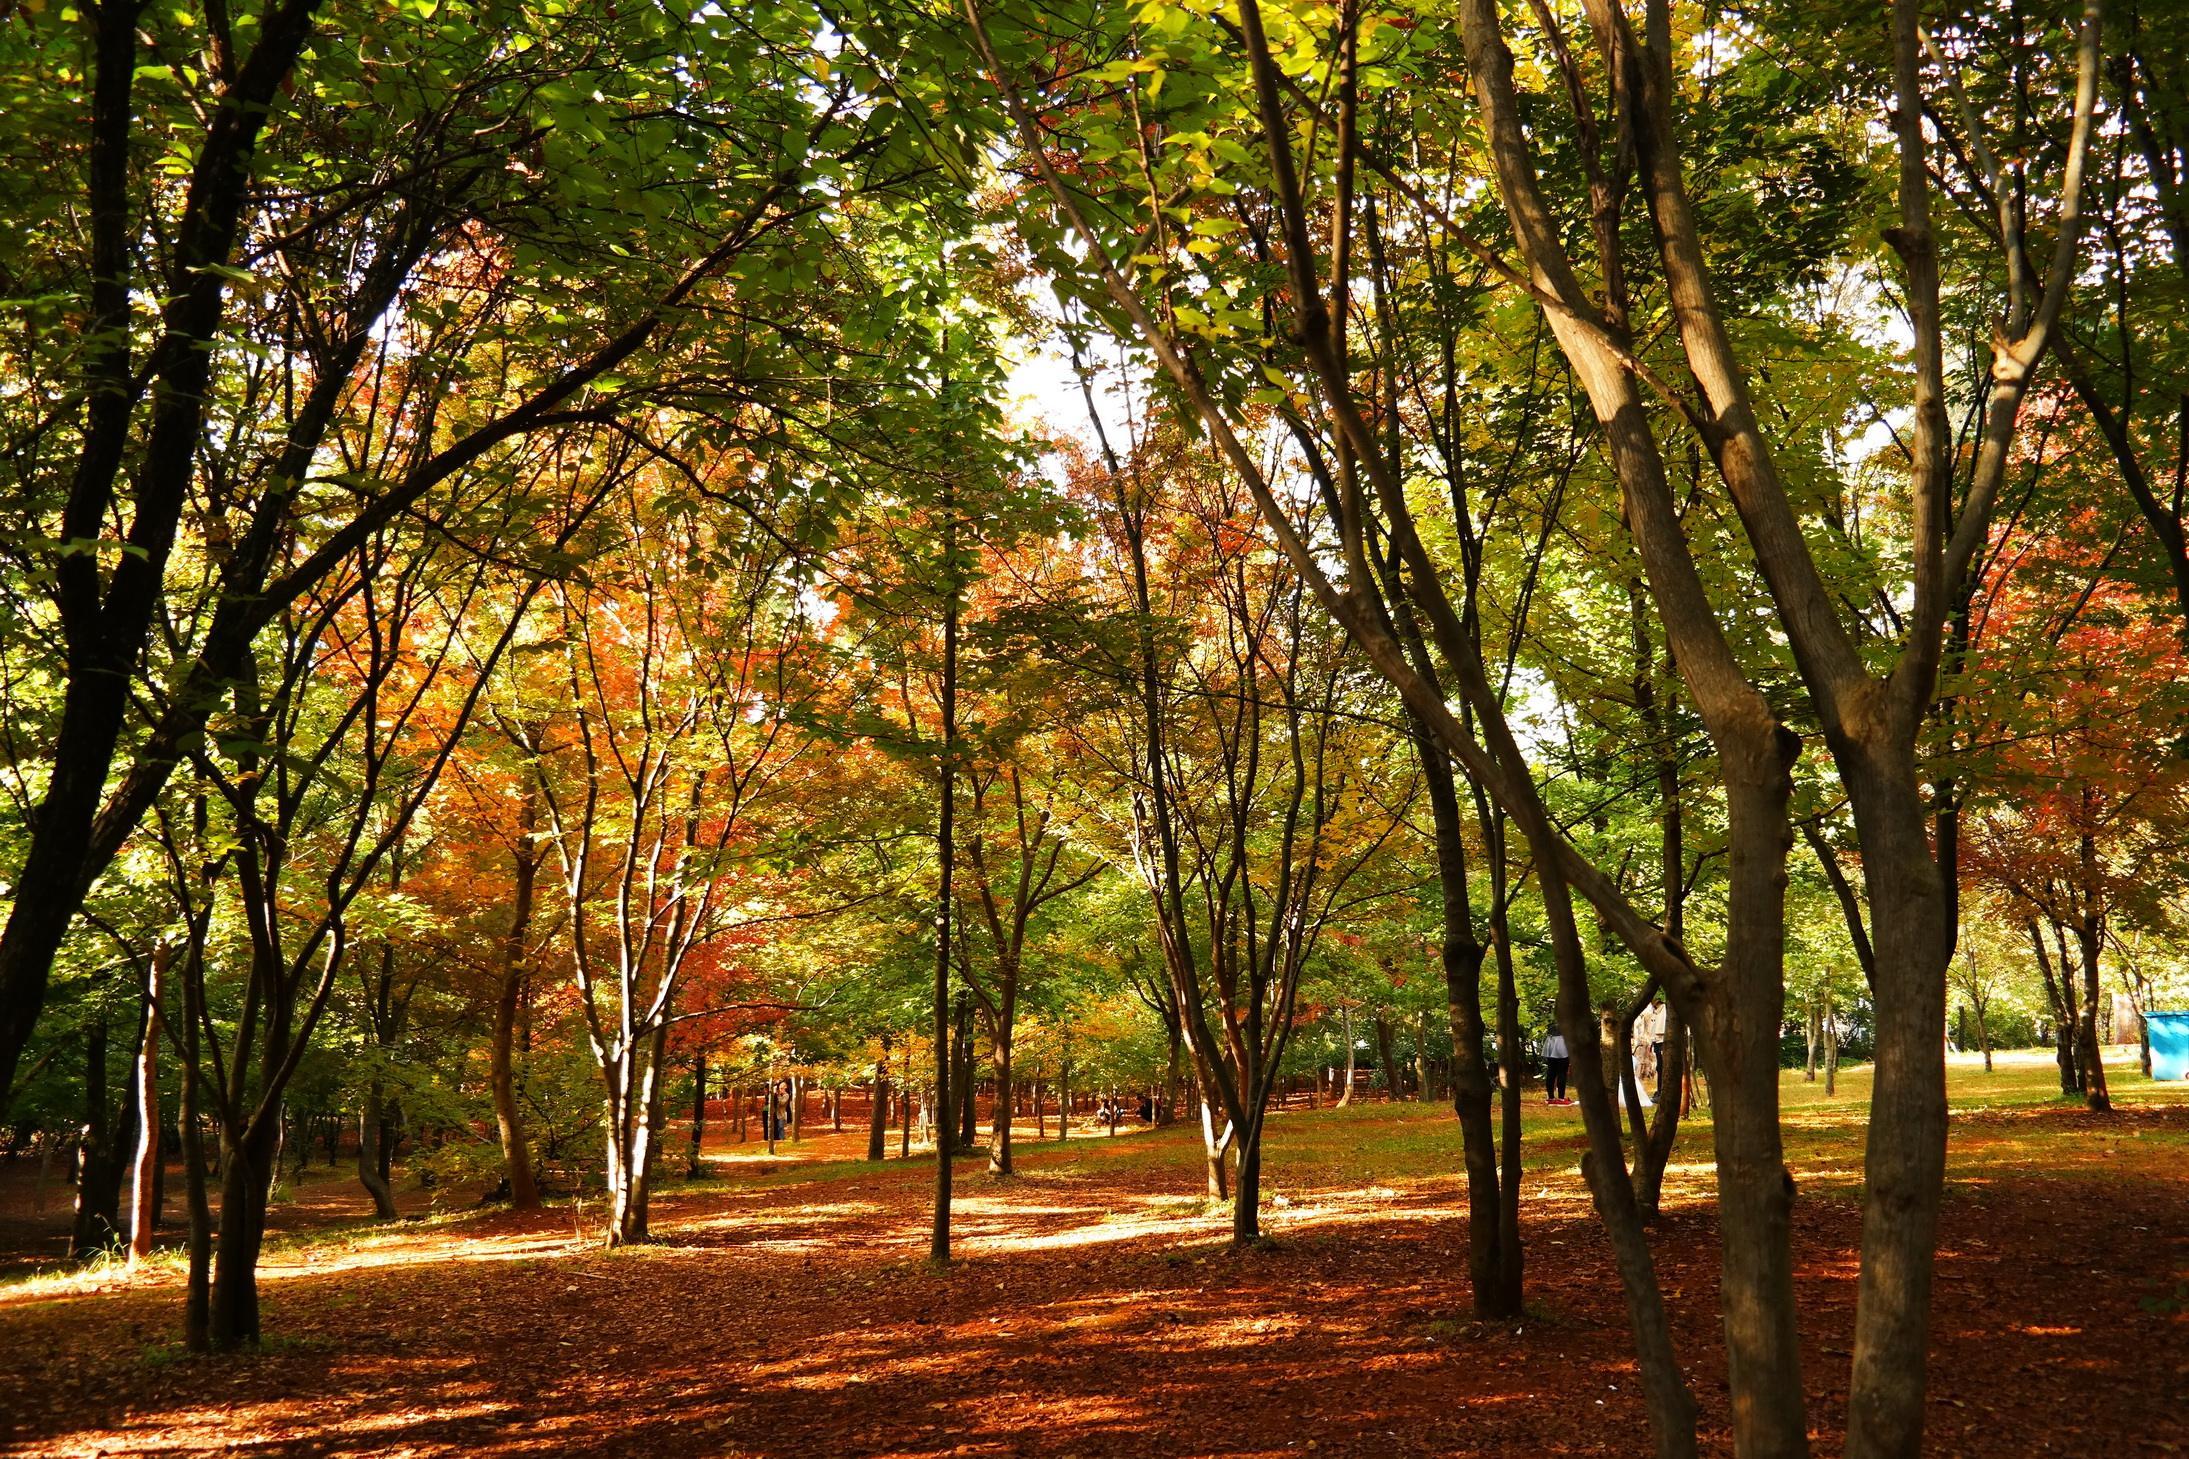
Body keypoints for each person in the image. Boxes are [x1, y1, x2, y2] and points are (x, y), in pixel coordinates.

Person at [1541, 1028, 1570, 1104]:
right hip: (1561, 1042)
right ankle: (1560, 1098)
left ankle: (1551, 1097)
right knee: (1561, 1072)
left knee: (1551, 1072)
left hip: (1551, 1041)